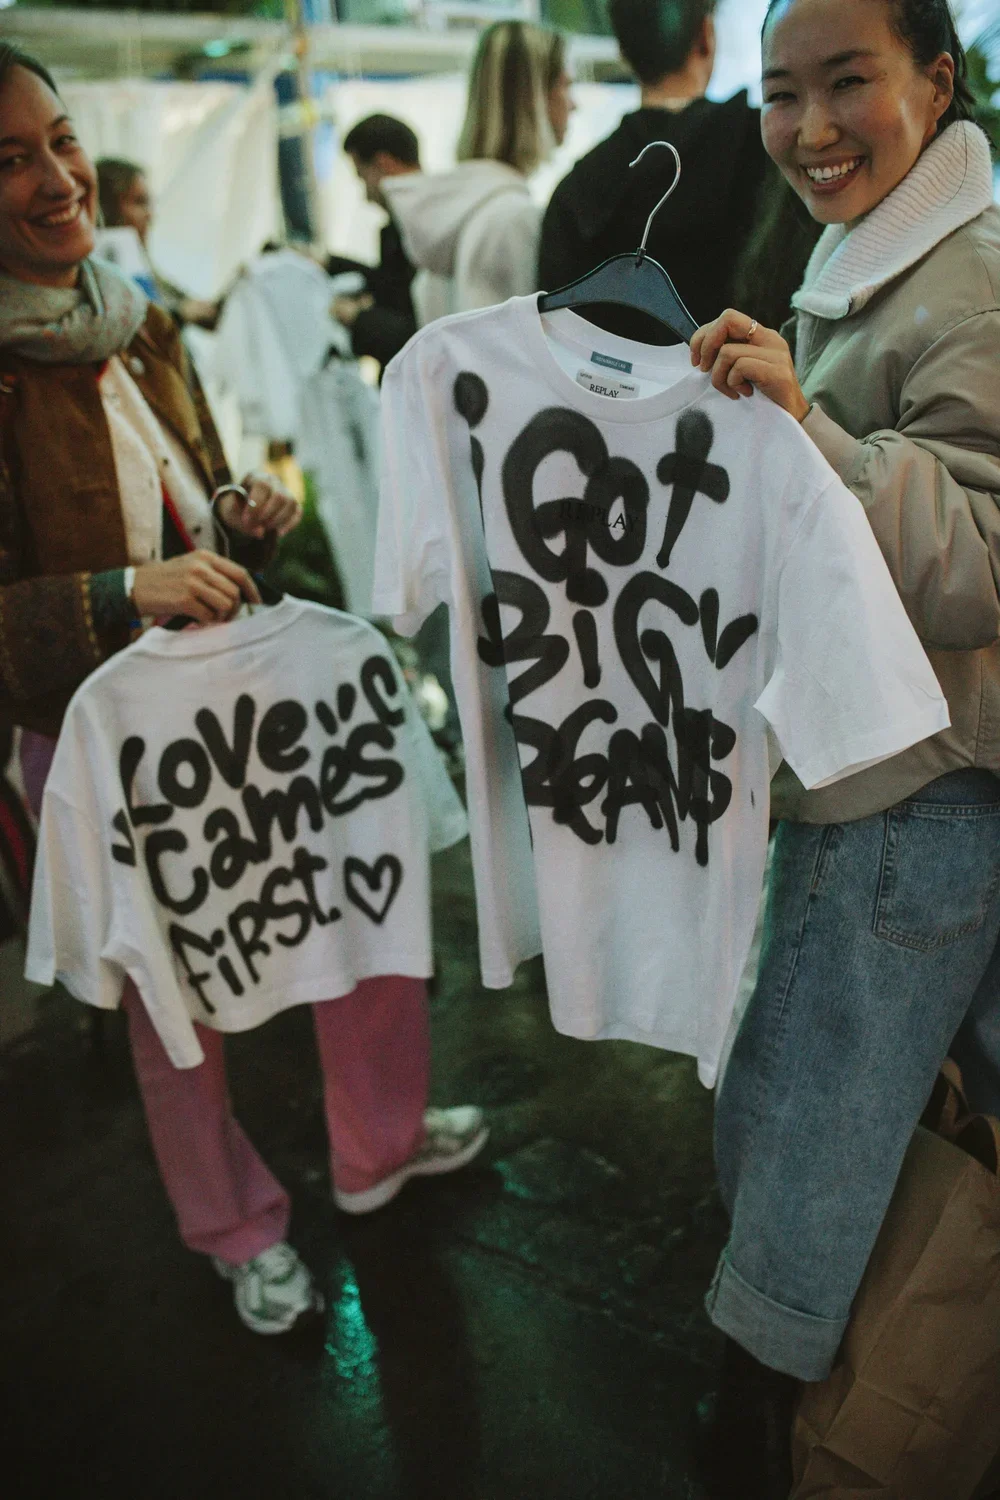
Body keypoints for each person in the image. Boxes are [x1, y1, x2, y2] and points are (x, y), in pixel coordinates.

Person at [0, 44, 487, 1336]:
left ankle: (379, 1147)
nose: (57, 179)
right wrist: (121, 597)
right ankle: (233, 1229)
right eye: (11, 160)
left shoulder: (136, 320)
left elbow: (191, 511)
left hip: (235, 710)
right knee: (177, 1007)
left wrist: (236, 523)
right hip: (103, 747)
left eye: (58, 141)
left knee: (351, 911)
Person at [689, 1, 1000, 1494]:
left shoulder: (976, 276)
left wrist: (811, 435)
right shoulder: (879, 249)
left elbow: (987, 564)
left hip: (913, 788)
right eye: (781, 93)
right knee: (839, 1103)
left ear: (937, 81)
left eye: (848, 83)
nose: (810, 127)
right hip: (883, 764)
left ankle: (764, 1420)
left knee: (810, 1118)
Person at [538, 0, 769, 340]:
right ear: (706, 36)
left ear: (623, 50)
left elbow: (552, 333)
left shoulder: (576, 192)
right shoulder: (764, 156)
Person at [382, 20, 574, 325]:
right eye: (565, 85)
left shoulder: (459, 211)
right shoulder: (511, 218)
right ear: (534, 98)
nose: (573, 104)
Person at [328, 113, 420, 371]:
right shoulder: (406, 228)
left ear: (384, 164)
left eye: (362, 176)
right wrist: (329, 263)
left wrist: (358, 318)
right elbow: (390, 285)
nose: (365, 195)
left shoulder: (424, 234)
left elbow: (421, 328)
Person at [95, 156, 220, 329]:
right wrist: (180, 315)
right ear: (107, 207)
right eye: (139, 202)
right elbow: (137, 329)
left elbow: (201, 312)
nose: (150, 216)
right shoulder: (99, 268)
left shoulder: (141, 266)